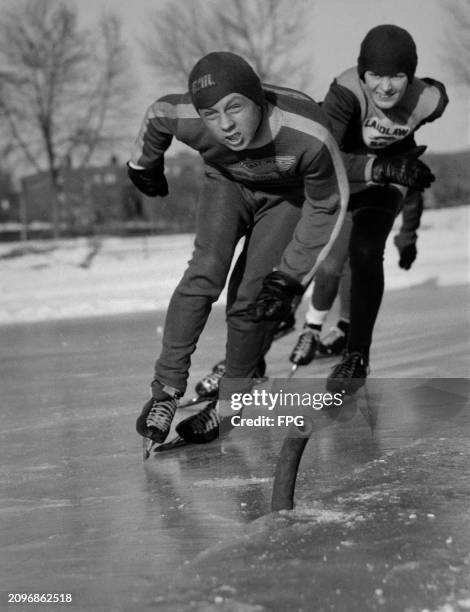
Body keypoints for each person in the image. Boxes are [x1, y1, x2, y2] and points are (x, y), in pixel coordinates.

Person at [128, 51, 350, 444]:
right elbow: (158, 113)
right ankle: (165, 392)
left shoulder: (308, 134)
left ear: (257, 100)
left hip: (286, 199)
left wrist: (291, 277)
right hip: (227, 185)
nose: (226, 125)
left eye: (235, 107)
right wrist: (144, 164)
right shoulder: (188, 118)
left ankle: (230, 404)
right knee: (205, 271)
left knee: (250, 297)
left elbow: (327, 205)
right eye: (211, 114)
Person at [255, 24, 448, 394]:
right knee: (314, 261)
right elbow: (325, 158)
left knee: (365, 253)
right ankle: (257, 351)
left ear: (411, 76)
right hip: (343, 180)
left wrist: (407, 236)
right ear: (362, 74)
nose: (385, 87)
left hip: (386, 183)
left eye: (397, 76)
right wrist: (382, 164)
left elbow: (414, 193)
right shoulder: (343, 95)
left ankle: (356, 356)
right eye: (375, 75)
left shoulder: (431, 100)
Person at [290, 188, 424, 367]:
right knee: (330, 266)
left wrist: (407, 237)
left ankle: (345, 329)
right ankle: (312, 327)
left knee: (360, 263)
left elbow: (413, 196)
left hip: (379, 205)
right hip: (351, 202)